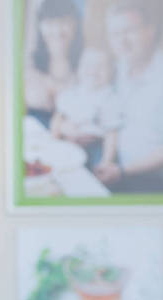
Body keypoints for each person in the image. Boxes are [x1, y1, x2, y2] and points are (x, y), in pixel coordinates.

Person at [95, 0, 163, 192]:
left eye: (129, 31)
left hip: (153, 184)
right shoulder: (118, 68)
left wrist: (122, 171)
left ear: (150, 30)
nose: (122, 41)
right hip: (115, 168)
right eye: (115, 34)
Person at [50, 47, 120, 170]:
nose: (93, 70)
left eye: (101, 66)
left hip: (95, 146)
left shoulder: (109, 98)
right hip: (67, 140)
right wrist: (54, 139)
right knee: (58, 161)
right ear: (78, 68)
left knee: (97, 170)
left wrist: (106, 161)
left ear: (112, 71)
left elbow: (111, 134)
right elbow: (58, 118)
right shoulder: (71, 93)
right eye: (88, 65)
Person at [25, 0, 84, 128]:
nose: (57, 31)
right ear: (40, 26)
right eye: (50, 23)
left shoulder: (87, 62)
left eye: (63, 22)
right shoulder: (29, 64)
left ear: (75, 25)